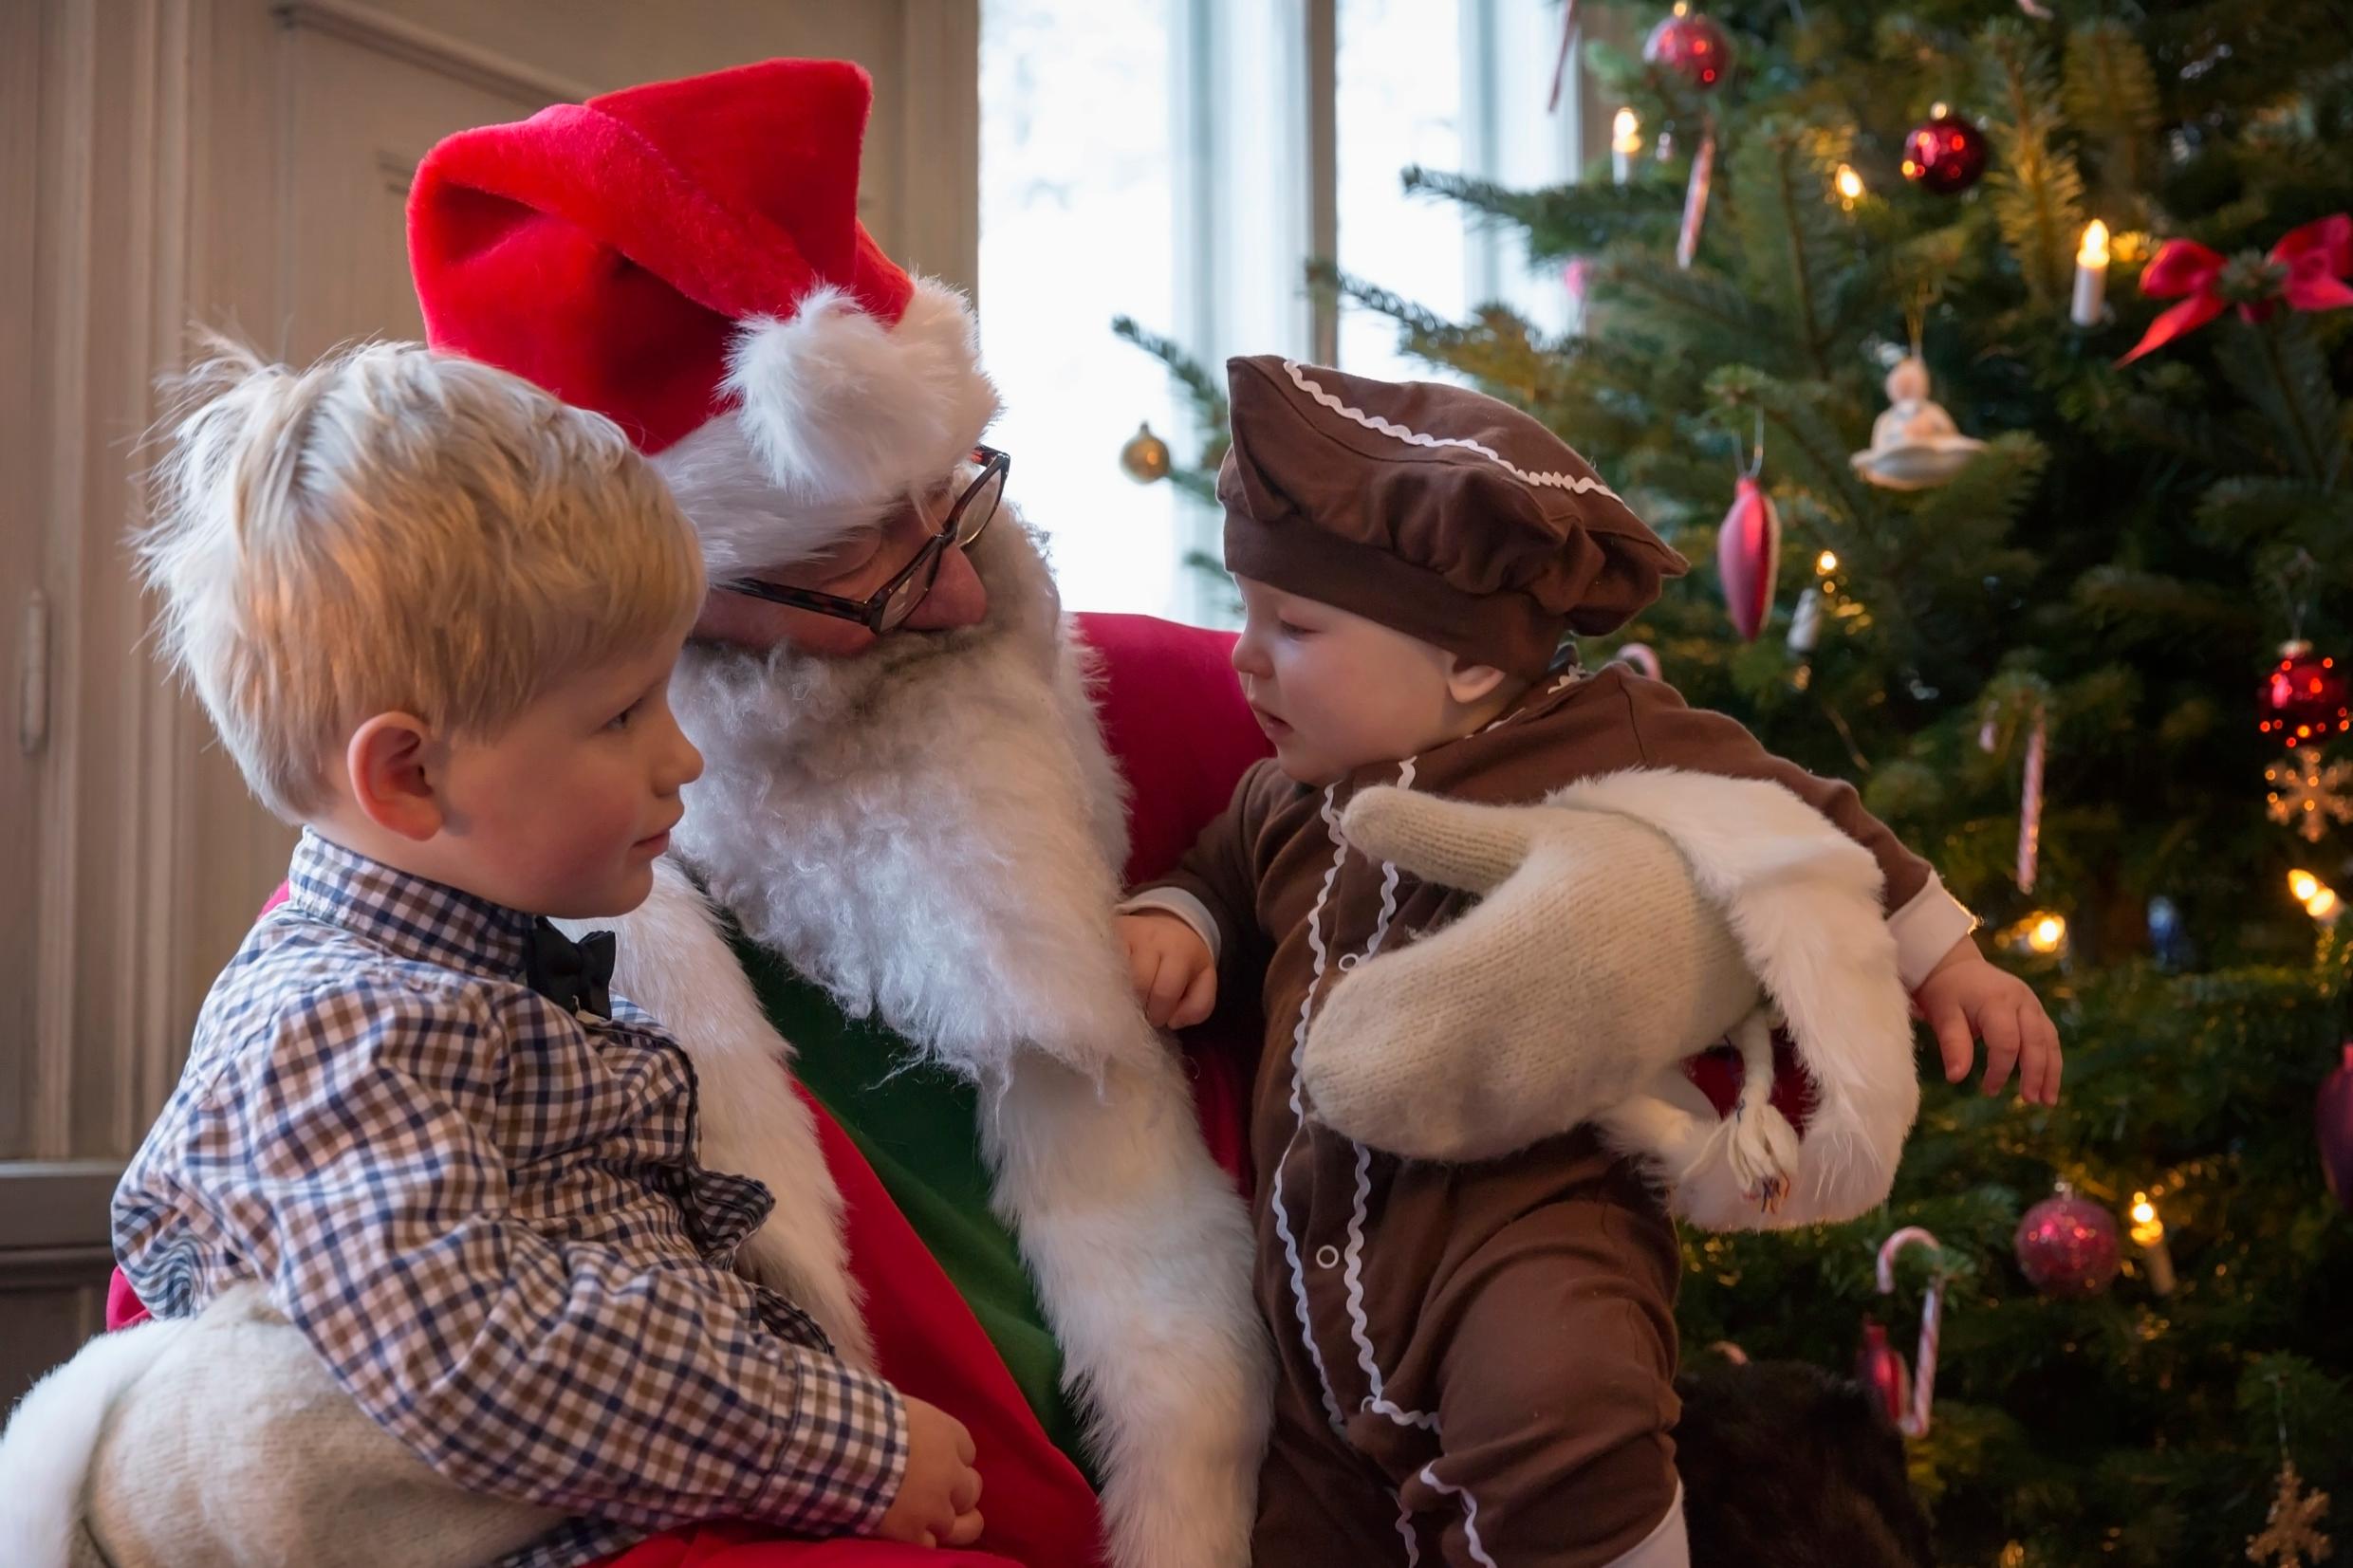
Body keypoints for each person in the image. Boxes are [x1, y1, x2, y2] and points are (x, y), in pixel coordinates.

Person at [398, 58, 1273, 1568]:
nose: (958, 589)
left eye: (954, 499)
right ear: (665, 603)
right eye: (865, 558)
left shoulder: (1112, 690)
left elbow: (1525, 769)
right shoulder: (459, 888)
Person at [9, 339, 986, 1568]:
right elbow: (478, 1352)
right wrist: (846, 1443)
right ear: (410, 775)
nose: (678, 756)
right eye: (623, 713)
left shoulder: (481, 967)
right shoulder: (336, 1029)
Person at [1114, 355, 2063, 1567]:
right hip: (1307, 1267)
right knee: (1303, 1512)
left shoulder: (1598, 733)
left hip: (1526, 1217)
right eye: (1247, 614)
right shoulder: (1279, 799)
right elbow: (1220, 882)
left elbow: (1799, 820)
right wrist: (1177, 924)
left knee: (1561, 1415)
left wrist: (1949, 960)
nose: (1245, 657)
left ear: (1463, 660)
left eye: (1292, 628)